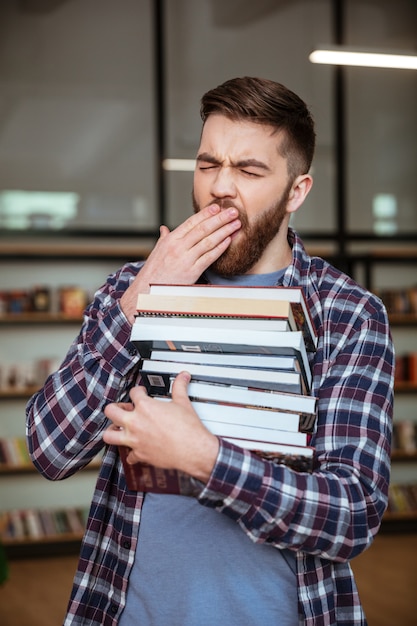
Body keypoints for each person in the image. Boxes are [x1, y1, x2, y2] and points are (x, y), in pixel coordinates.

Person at [26, 76, 394, 626]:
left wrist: (204, 458)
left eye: (248, 170)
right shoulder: (131, 287)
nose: (221, 186)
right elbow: (50, 449)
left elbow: (351, 515)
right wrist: (137, 303)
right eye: (207, 164)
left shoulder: (350, 316)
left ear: (297, 191)